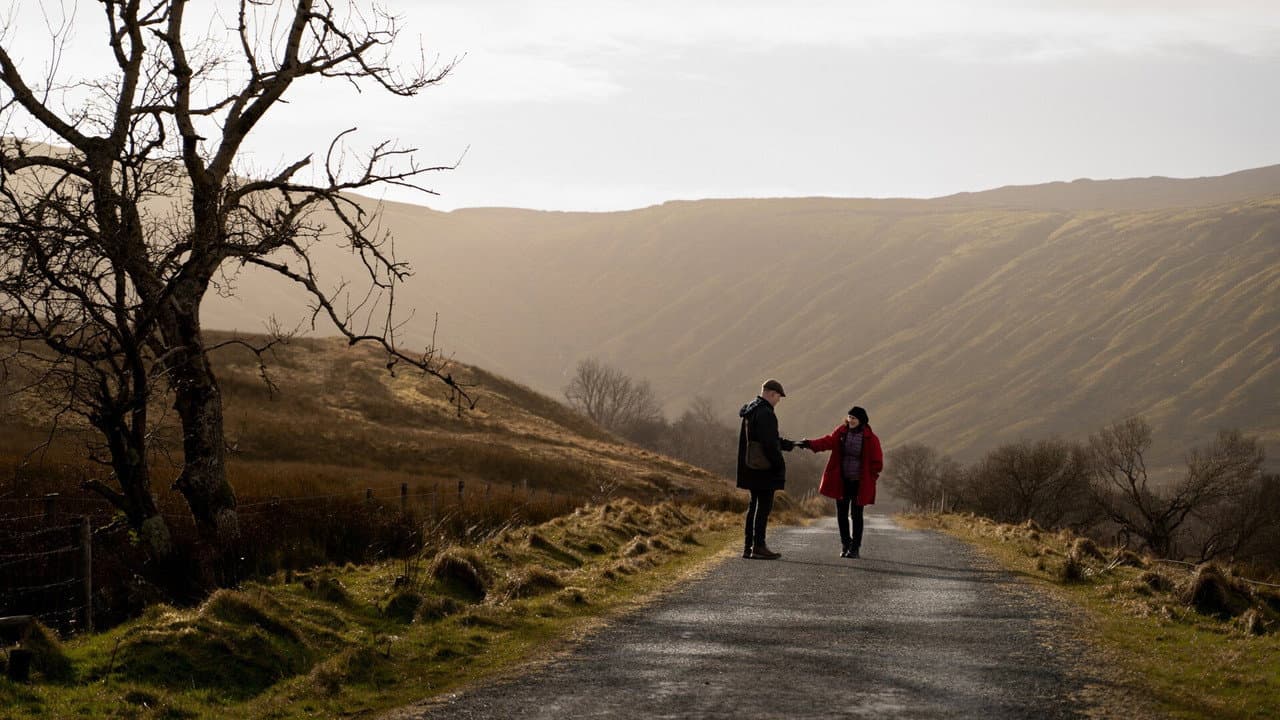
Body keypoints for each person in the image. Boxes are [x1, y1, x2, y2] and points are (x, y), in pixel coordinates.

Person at [797, 406, 883, 558]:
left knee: (857, 515)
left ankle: (855, 548)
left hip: (859, 483)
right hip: (842, 481)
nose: (850, 420)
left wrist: (871, 478)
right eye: (849, 417)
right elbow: (827, 442)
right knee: (842, 515)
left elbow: (877, 463)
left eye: (854, 418)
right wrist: (809, 444)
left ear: (861, 420)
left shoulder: (871, 438)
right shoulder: (841, 432)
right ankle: (846, 544)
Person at [737, 379, 796, 560]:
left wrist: (787, 444)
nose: (778, 400)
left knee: (753, 505)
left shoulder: (751, 410)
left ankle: (748, 546)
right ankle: (759, 546)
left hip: (750, 465)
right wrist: (779, 465)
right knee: (763, 507)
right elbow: (769, 443)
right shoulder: (766, 414)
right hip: (764, 468)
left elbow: (764, 438)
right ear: (771, 394)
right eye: (778, 397)